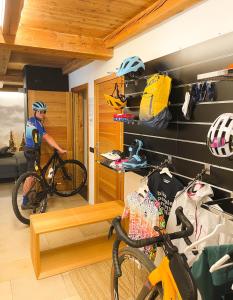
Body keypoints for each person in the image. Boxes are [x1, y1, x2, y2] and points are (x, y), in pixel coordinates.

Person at [22, 101, 66, 209]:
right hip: (32, 151)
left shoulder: (32, 120)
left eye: (44, 111)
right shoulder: (36, 124)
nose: (43, 114)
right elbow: (47, 137)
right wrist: (59, 148)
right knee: (31, 177)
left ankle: (30, 195)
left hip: (31, 150)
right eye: (40, 111)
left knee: (34, 174)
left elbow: (41, 136)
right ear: (35, 111)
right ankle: (25, 202)